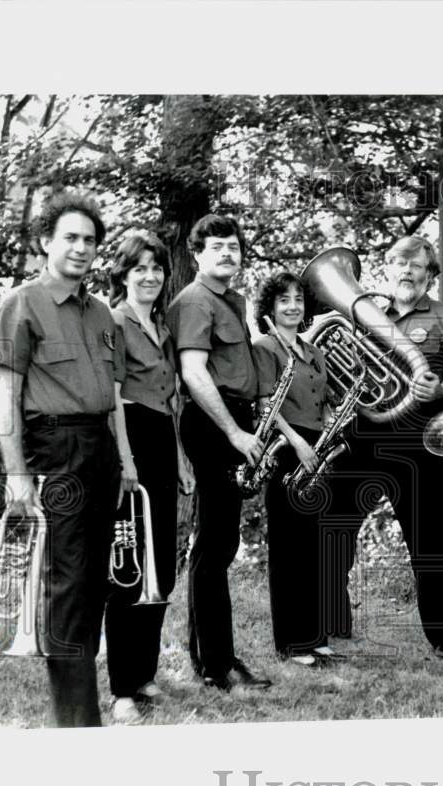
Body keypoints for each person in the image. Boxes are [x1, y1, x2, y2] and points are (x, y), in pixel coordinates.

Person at [0, 192, 122, 726]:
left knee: (94, 581)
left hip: (99, 447)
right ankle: (77, 720)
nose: (81, 248)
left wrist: (121, 460)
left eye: (89, 240)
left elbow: (110, 394)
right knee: (67, 579)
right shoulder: (21, 303)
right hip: (56, 447)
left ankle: (83, 705)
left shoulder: (103, 313)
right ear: (46, 242)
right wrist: (18, 473)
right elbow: (6, 393)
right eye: (70, 237)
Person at [329, 236, 443, 659]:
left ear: (430, 274)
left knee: (429, 542)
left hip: (418, 439)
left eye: (416, 266)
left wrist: (437, 387)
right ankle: (333, 620)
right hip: (362, 436)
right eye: (398, 264)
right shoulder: (361, 311)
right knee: (335, 531)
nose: (406, 272)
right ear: (386, 269)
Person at [166, 214, 272, 691]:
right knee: (212, 548)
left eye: (233, 246)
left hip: (237, 420)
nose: (227, 253)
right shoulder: (193, 300)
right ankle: (214, 665)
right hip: (214, 425)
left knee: (221, 543)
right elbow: (193, 373)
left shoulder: (233, 300)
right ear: (197, 255)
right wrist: (233, 433)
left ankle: (221, 657)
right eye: (216, 247)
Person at [105, 232, 195, 724]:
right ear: (123, 274)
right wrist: (124, 458)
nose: (150, 276)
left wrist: (179, 458)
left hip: (161, 438)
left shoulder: (160, 326)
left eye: (156, 269)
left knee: (161, 560)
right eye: (139, 268)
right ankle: (121, 687)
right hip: (130, 437)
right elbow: (115, 397)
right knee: (129, 567)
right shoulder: (114, 321)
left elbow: (170, 403)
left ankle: (144, 674)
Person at [251, 271, 341, 668]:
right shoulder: (264, 346)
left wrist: (332, 416)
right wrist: (299, 442)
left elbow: (323, 398)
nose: (292, 306)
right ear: (270, 306)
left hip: (317, 447)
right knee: (288, 548)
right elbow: (265, 404)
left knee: (313, 545)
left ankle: (314, 636)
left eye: (298, 299)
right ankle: (290, 642)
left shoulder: (313, 350)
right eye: (283, 299)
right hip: (287, 446)